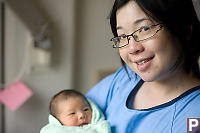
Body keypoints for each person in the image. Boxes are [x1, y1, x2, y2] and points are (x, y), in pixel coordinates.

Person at [86, 0, 200, 132]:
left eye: (145, 29)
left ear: (184, 30)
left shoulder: (194, 117)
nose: (132, 48)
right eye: (122, 36)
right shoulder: (122, 80)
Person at [40, 90, 111, 133]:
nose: (82, 115)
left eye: (86, 109)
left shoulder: (99, 128)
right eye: (72, 113)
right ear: (58, 120)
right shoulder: (53, 130)